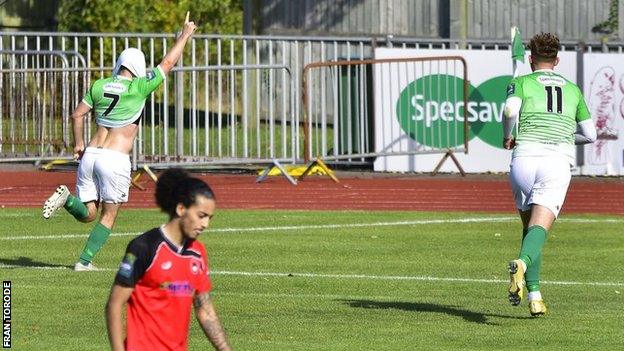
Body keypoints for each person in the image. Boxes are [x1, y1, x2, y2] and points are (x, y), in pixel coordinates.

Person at [42, 13, 197, 271]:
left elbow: (77, 114)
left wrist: (78, 143)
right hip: (115, 159)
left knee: (88, 213)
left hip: (91, 154)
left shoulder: (99, 85)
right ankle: (84, 262)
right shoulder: (139, 87)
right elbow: (168, 62)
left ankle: (68, 199)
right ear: (138, 67)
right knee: (109, 215)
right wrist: (184, 35)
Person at [502, 32, 596, 316]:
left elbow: (510, 110)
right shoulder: (572, 89)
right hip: (555, 162)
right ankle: (521, 264)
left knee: (530, 231)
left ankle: (535, 296)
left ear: (531, 59)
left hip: (523, 160)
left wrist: (509, 135)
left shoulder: (520, 82)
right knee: (539, 230)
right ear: (557, 60)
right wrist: (567, 137)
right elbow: (590, 135)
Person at [106, 168, 232, 351]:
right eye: (201, 216)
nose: (205, 224)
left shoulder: (197, 253)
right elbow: (115, 304)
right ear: (181, 209)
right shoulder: (144, 247)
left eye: (209, 218)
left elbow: (205, 309)